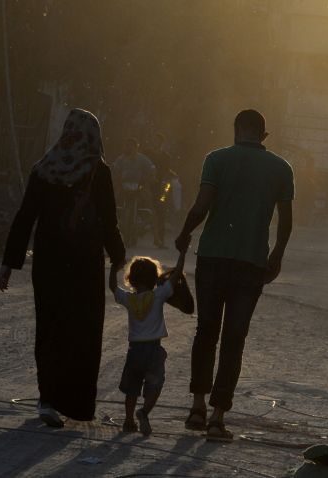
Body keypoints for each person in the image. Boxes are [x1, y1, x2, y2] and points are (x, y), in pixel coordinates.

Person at [0, 108, 126, 427]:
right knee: (81, 331)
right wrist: (119, 259)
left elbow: (25, 216)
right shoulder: (98, 170)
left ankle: (48, 400)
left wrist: (9, 263)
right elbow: (110, 221)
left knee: (50, 327)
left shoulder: (44, 168)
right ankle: (76, 403)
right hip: (84, 264)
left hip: (49, 260)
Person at [175, 109, 294, 442]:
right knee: (233, 340)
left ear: (236, 130)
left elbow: (201, 206)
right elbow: (285, 221)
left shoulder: (216, 159)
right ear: (263, 135)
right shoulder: (281, 168)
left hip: (212, 258)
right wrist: (277, 256)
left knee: (206, 333)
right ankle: (217, 416)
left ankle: (197, 406)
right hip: (251, 263)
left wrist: (184, 234)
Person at [109, 250, 186, 436]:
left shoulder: (129, 299)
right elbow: (176, 277)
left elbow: (113, 287)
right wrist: (182, 253)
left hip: (135, 350)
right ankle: (143, 412)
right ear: (155, 278)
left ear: (131, 279)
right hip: (154, 349)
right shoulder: (158, 296)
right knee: (155, 385)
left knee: (132, 388)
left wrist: (114, 268)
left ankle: (128, 421)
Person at [113, 138, 156, 246]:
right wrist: (116, 179)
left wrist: (151, 177)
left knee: (151, 204)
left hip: (139, 188)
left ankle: (156, 237)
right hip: (123, 188)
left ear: (136, 147)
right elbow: (115, 170)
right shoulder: (121, 159)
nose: (129, 148)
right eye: (127, 145)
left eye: (131, 146)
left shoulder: (142, 159)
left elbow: (151, 168)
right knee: (112, 203)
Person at [143, 133, 176, 248]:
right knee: (149, 209)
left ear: (161, 143)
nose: (155, 143)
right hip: (147, 186)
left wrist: (167, 185)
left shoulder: (166, 156)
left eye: (157, 141)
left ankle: (160, 239)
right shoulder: (146, 154)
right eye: (153, 140)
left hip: (162, 188)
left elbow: (168, 171)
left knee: (161, 211)